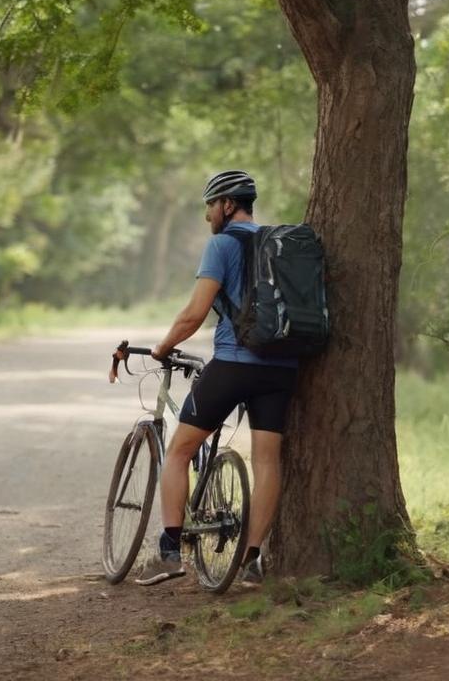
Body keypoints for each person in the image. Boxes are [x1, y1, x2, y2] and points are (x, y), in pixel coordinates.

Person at [128, 170, 297, 586]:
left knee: (180, 449)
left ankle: (170, 551)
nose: (207, 216)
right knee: (267, 461)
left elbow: (194, 312)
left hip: (235, 364)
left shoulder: (222, 244)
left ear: (226, 204)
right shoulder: (277, 243)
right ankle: (253, 561)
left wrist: (162, 347)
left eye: (210, 206)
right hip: (282, 368)